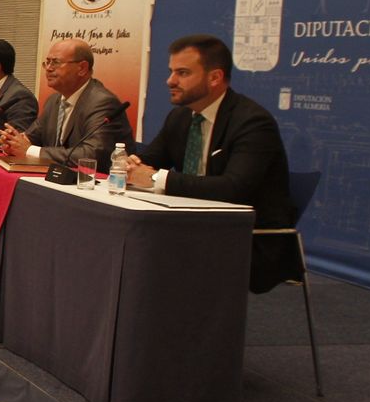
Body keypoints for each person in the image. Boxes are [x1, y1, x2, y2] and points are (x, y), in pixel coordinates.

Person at [127, 34, 299, 293]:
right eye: (171, 71)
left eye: (182, 73)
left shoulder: (252, 122)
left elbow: (232, 189)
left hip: (247, 235)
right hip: (191, 223)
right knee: (128, 242)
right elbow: (147, 161)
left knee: (144, 249)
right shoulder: (181, 117)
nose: (170, 81)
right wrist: (131, 165)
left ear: (215, 77)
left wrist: (154, 179)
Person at [0, 38, 133, 170]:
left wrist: (29, 150)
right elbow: (32, 137)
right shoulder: (54, 101)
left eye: (55, 62)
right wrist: (13, 142)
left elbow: (92, 155)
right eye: (47, 62)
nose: (49, 69)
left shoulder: (102, 103)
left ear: (82, 68)